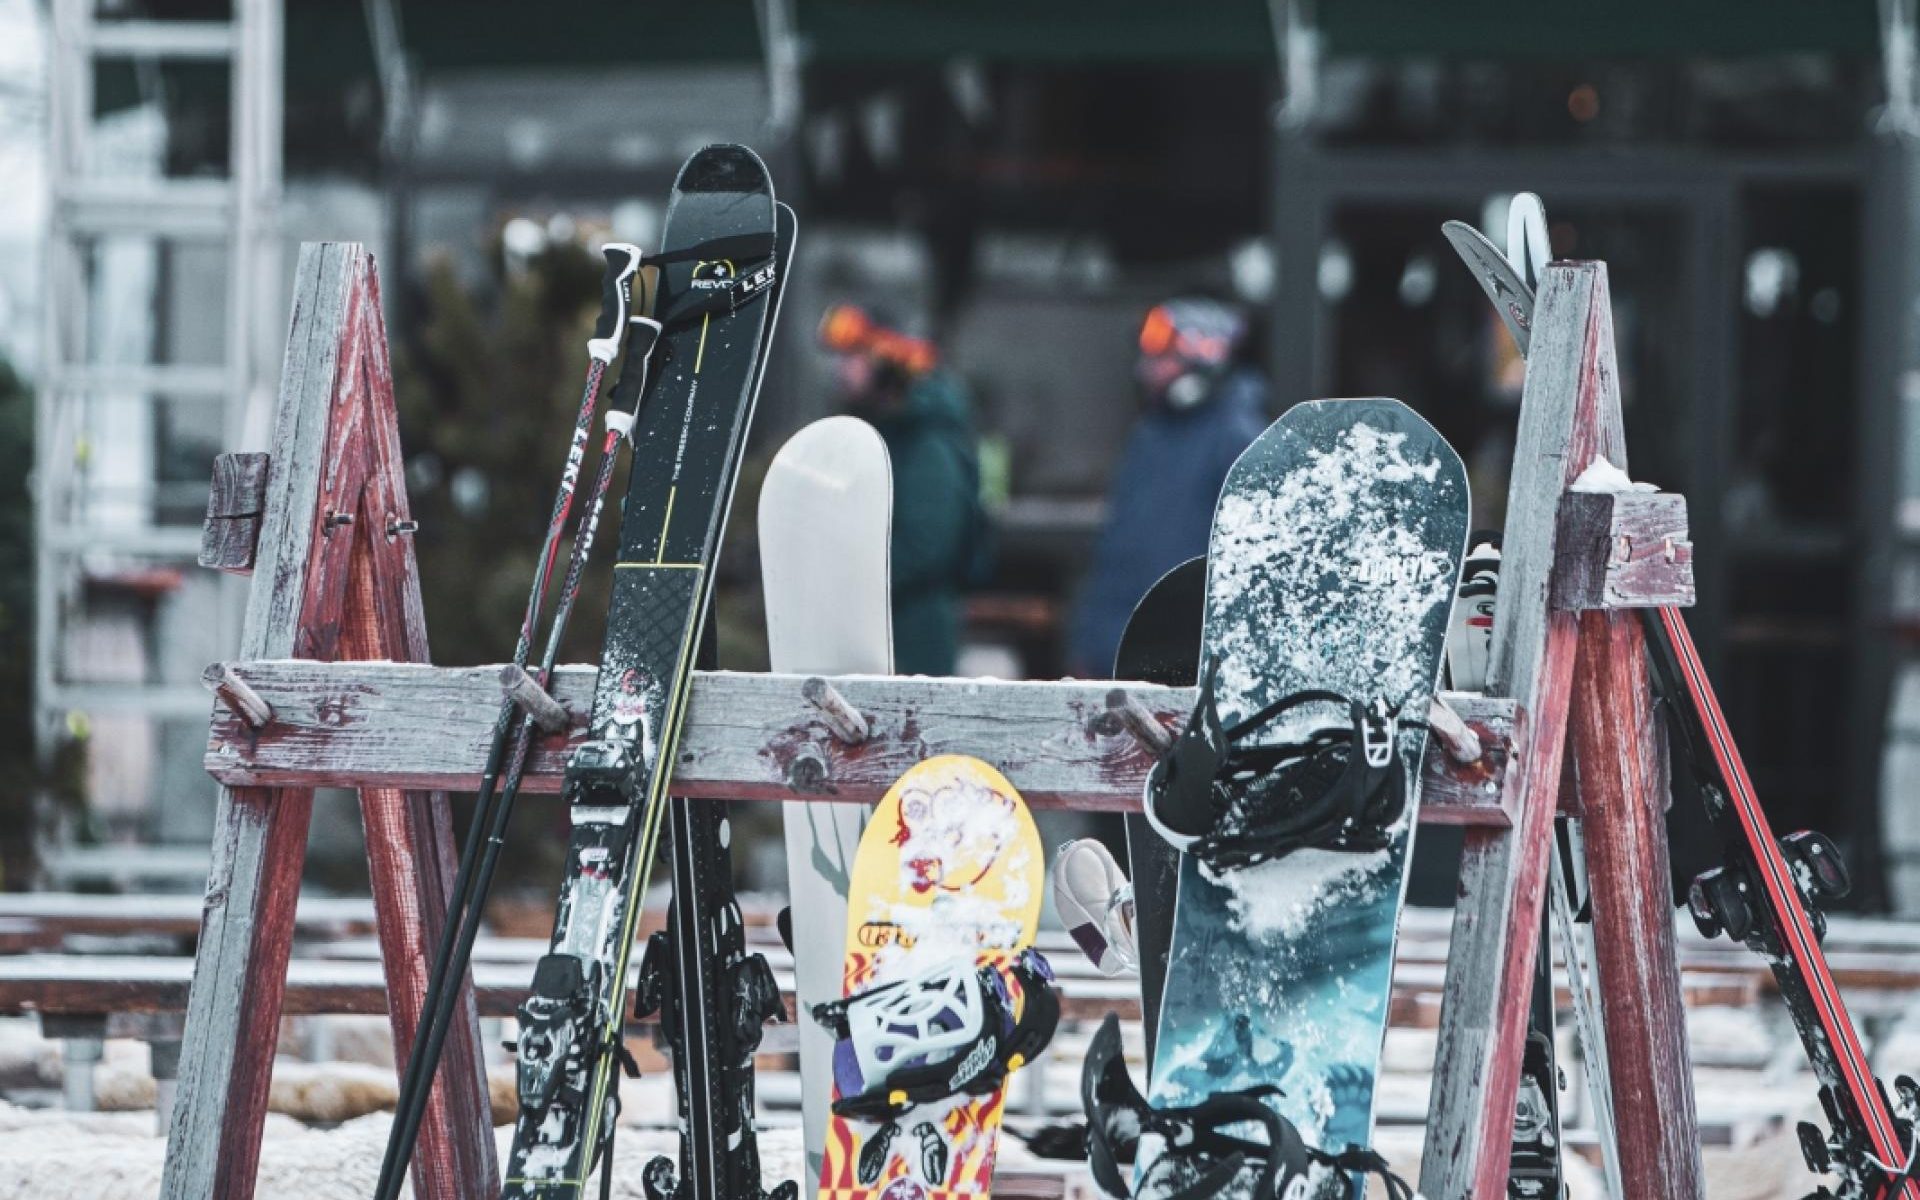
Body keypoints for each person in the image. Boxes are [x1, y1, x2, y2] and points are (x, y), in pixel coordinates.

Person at [1068, 297, 1270, 677]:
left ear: (1203, 362)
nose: (1147, 371)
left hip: (1184, 656)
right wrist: (1089, 643)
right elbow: (1120, 550)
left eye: (1163, 359)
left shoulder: (1238, 441)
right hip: (1117, 647)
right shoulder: (1149, 435)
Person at [820, 303, 989, 676]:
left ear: (887, 362)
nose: (840, 369)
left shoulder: (928, 446)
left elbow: (925, 548)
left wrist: (840, 581)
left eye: (853, 357)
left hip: (913, 638)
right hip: (882, 630)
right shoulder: (889, 435)